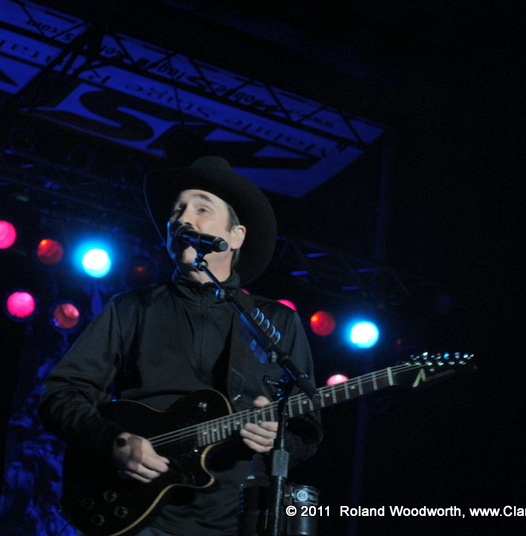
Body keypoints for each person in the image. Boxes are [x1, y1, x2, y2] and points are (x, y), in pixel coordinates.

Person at [39, 156, 322, 536]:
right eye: (177, 210)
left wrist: (276, 437)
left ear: (236, 236)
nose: (182, 219)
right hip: (136, 514)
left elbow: (307, 430)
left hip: (233, 521)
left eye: (201, 209)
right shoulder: (132, 308)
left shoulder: (275, 322)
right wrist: (113, 442)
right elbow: (61, 394)